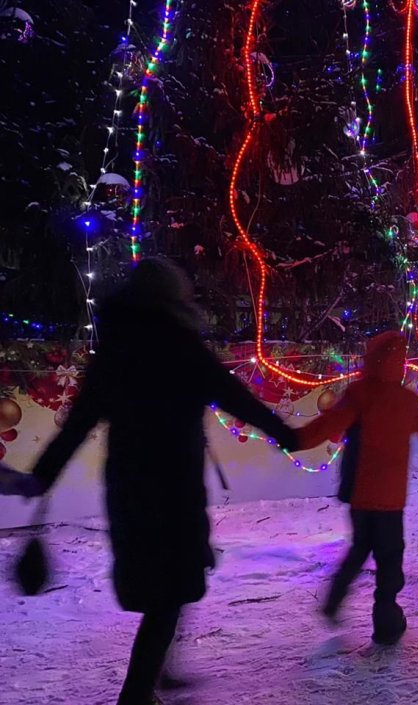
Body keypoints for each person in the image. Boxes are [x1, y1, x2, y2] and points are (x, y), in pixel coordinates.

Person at [6, 258, 299, 705]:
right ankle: (138, 692)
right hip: (174, 489)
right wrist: (286, 435)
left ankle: (156, 676)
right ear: (173, 297)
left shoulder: (116, 350)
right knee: (170, 593)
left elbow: (78, 423)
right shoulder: (181, 345)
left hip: (128, 488)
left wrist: (42, 477)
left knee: (163, 588)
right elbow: (237, 398)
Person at [296, 331, 418, 645]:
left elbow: (328, 425)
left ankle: (334, 599)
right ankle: (387, 623)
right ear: (400, 362)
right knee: (390, 558)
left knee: (360, 547)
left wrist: (294, 440)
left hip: (361, 495)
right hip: (390, 498)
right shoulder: (406, 400)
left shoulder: (358, 393)